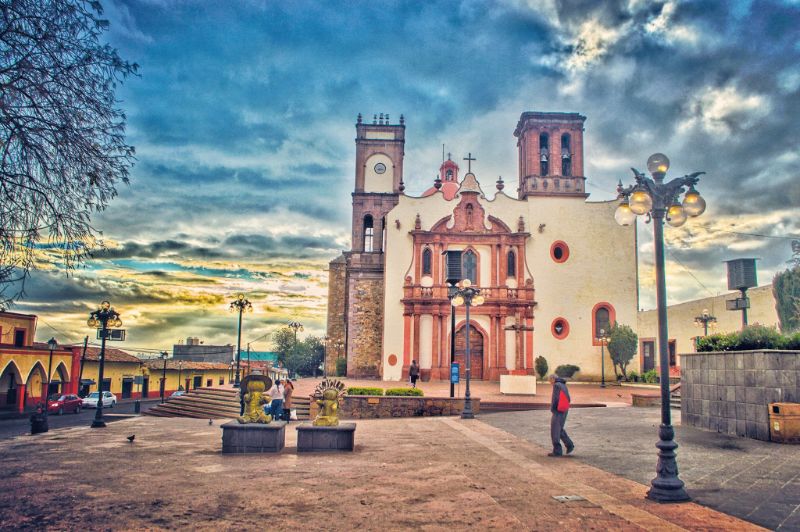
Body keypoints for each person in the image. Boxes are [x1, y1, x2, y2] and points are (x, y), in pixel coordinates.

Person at [548, 373, 574, 457]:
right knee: (559, 429)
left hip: (558, 410)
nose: (550, 383)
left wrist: (552, 409)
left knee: (555, 430)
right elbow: (568, 398)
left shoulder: (556, 385)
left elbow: (555, 399)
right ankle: (569, 445)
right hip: (564, 409)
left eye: (550, 381)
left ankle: (557, 451)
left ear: (552, 379)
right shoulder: (563, 384)